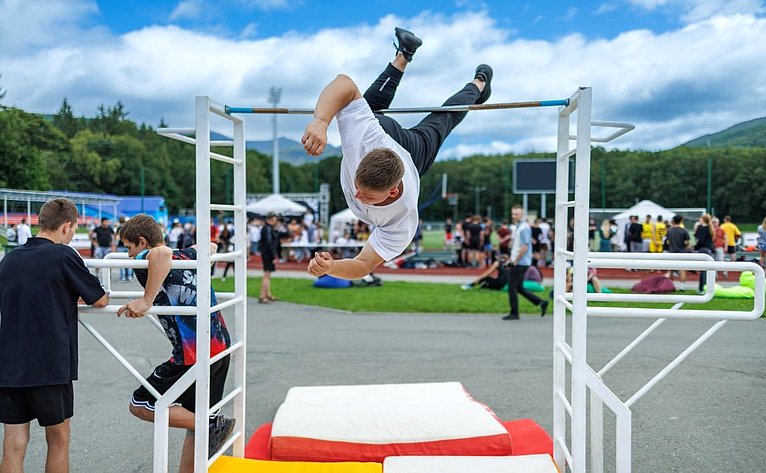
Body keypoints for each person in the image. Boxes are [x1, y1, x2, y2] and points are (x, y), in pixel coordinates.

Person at [302, 27, 493, 280]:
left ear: (392, 191)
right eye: (359, 188)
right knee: (415, 115)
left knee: (412, 113)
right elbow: (344, 84)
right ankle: (456, 75)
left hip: (405, 152)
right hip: (397, 141)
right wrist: (320, 122)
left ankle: (460, 75)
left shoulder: (402, 219)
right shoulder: (362, 141)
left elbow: (363, 264)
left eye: (366, 195)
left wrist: (332, 267)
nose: (357, 196)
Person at [116, 214, 234, 472]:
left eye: (128, 247)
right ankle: (206, 425)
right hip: (219, 345)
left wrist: (147, 300)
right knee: (193, 422)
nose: (128, 255)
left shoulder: (151, 256)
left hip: (191, 355)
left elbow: (161, 254)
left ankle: (210, 422)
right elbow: (210, 246)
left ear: (142, 241)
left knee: (141, 404)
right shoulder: (186, 255)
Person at [0, 198, 108, 473]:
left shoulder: (10, 259)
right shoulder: (63, 255)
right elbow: (99, 299)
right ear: (66, 226)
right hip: (50, 364)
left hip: (10, 364)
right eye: (73, 231)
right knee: (58, 440)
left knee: (13, 444)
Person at [504, 206, 548, 320]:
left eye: (516, 214)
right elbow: (517, 246)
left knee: (512, 288)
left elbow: (525, 246)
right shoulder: (519, 227)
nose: (514, 216)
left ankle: (514, 313)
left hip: (520, 263)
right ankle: (541, 302)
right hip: (520, 262)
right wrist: (510, 259)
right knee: (519, 288)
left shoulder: (524, 228)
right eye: (513, 214)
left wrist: (515, 261)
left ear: (522, 215)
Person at [665, 215, 691, 291]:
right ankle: (682, 287)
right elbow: (687, 242)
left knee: (670, 270)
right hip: (681, 252)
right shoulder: (684, 230)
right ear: (681, 221)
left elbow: (668, 242)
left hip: (672, 251)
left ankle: (670, 286)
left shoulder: (670, 230)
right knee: (682, 269)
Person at [259, 213, 279, 304]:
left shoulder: (267, 228)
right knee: (266, 275)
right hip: (268, 254)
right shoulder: (268, 229)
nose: (275, 222)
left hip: (266, 254)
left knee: (267, 275)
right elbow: (269, 243)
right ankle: (263, 296)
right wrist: (273, 255)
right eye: (274, 220)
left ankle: (267, 294)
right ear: (269, 219)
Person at [694, 214, 715, 294]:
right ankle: (706, 287)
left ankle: (701, 288)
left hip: (703, 249)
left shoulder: (701, 228)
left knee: (703, 270)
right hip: (708, 249)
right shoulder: (710, 228)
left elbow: (699, 239)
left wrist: (695, 247)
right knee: (707, 270)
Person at [116, 216, 134, 282]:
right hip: (128, 246)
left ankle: (122, 277)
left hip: (120, 246)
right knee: (129, 262)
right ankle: (129, 276)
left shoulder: (119, 229)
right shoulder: (129, 228)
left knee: (121, 263)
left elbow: (117, 238)